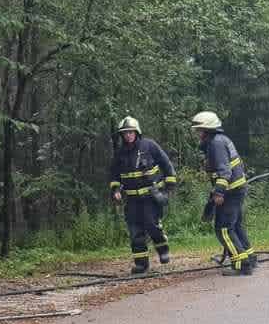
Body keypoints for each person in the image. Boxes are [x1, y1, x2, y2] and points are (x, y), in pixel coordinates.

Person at [108, 116, 177, 274]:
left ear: (136, 132)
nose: (128, 135)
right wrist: (116, 190)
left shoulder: (149, 146)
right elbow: (114, 175)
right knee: (135, 232)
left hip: (150, 197)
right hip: (132, 200)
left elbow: (166, 164)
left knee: (152, 226)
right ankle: (141, 264)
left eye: (130, 132)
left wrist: (169, 186)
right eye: (125, 133)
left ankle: (163, 249)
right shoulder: (120, 153)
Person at [191, 111, 255, 275]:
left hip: (230, 191)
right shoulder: (221, 140)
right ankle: (249, 258)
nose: (197, 133)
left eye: (199, 130)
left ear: (208, 129)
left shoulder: (216, 144)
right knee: (236, 226)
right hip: (235, 189)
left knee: (224, 229)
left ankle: (241, 265)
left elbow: (224, 171)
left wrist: (219, 192)